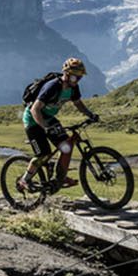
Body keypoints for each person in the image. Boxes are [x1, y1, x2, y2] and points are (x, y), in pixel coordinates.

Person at [22, 57, 97, 189]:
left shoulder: (74, 88)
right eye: (75, 77)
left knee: (67, 146)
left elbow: (78, 104)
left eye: (80, 77)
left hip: (49, 118)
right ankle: (24, 180)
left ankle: (59, 179)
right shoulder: (52, 86)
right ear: (67, 74)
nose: (78, 80)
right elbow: (35, 109)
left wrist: (90, 114)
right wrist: (45, 127)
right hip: (33, 120)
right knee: (44, 154)